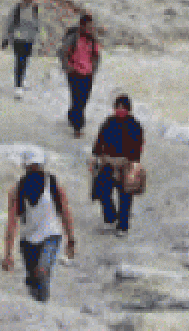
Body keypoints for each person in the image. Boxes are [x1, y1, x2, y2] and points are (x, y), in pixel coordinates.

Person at [2, 149, 76, 302]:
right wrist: (8, 253)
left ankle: (44, 306)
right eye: (32, 167)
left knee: (42, 271)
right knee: (33, 282)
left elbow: (65, 212)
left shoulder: (53, 184)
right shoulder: (16, 190)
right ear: (27, 168)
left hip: (51, 237)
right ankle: (39, 308)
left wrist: (71, 239)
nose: (35, 169)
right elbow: (11, 223)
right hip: (27, 242)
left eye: (37, 166)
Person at [90, 94, 144, 237]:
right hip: (107, 163)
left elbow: (138, 147)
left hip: (125, 165)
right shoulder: (109, 122)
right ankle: (111, 217)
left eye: (123, 107)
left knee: (125, 196)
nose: (120, 110)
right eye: (118, 107)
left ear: (128, 109)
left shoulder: (134, 125)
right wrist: (96, 156)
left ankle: (123, 225)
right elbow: (99, 139)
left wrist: (132, 163)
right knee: (102, 192)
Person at [60, 14, 102, 138]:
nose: (90, 28)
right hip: (74, 72)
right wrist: (68, 67)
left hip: (88, 73)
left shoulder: (93, 40)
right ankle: (78, 127)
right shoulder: (74, 37)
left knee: (84, 99)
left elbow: (96, 55)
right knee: (77, 99)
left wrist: (93, 68)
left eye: (91, 26)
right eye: (88, 26)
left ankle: (72, 114)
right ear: (82, 26)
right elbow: (64, 52)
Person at [2, 0, 41, 99]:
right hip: (18, 39)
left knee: (25, 61)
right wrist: (6, 39)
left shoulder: (35, 9)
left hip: (29, 39)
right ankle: (18, 86)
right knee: (20, 61)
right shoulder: (17, 9)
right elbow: (9, 23)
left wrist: (38, 38)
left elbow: (37, 23)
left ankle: (21, 81)